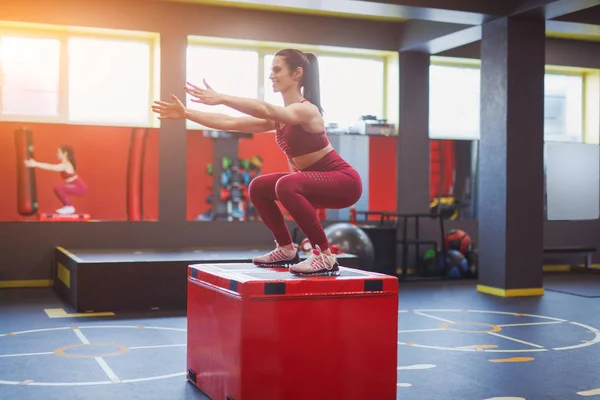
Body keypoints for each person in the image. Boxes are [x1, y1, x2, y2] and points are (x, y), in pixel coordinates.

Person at [152, 49, 362, 276]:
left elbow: (264, 108)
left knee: (286, 184)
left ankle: (325, 256)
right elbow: (231, 122)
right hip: (317, 182)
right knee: (259, 187)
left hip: (345, 182)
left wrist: (222, 97)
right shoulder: (280, 118)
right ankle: (286, 249)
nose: (271, 75)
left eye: (277, 69)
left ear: (297, 73)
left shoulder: (306, 110)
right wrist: (186, 113)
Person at [24, 145, 88, 215]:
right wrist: (35, 163)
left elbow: (51, 167)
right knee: (58, 188)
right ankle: (68, 207)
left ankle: (69, 207)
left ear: (65, 153)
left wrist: (35, 164)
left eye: (59, 152)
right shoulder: (64, 164)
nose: (57, 154)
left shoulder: (66, 165)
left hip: (80, 187)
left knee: (58, 188)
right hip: (77, 186)